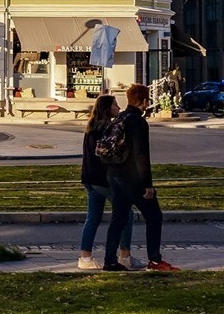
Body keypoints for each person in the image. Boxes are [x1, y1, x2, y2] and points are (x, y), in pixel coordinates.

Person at [104, 83, 181, 272]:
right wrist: (148, 185)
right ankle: (155, 260)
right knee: (154, 216)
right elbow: (141, 155)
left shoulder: (119, 118)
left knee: (118, 218)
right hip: (133, 178)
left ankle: (109, 260)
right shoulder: (138, 122)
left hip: (114, 176)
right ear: (145, 101)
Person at [77, 94, 138, 270]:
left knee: (93, 217)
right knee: (126, 213)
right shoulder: (106, 128)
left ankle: (85, 257)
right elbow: (107, 155)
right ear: (107, 108)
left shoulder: (92, 126)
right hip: (102, 179)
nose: (118, 108)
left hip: (89, 178)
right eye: (115, 105)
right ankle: (125, 254)